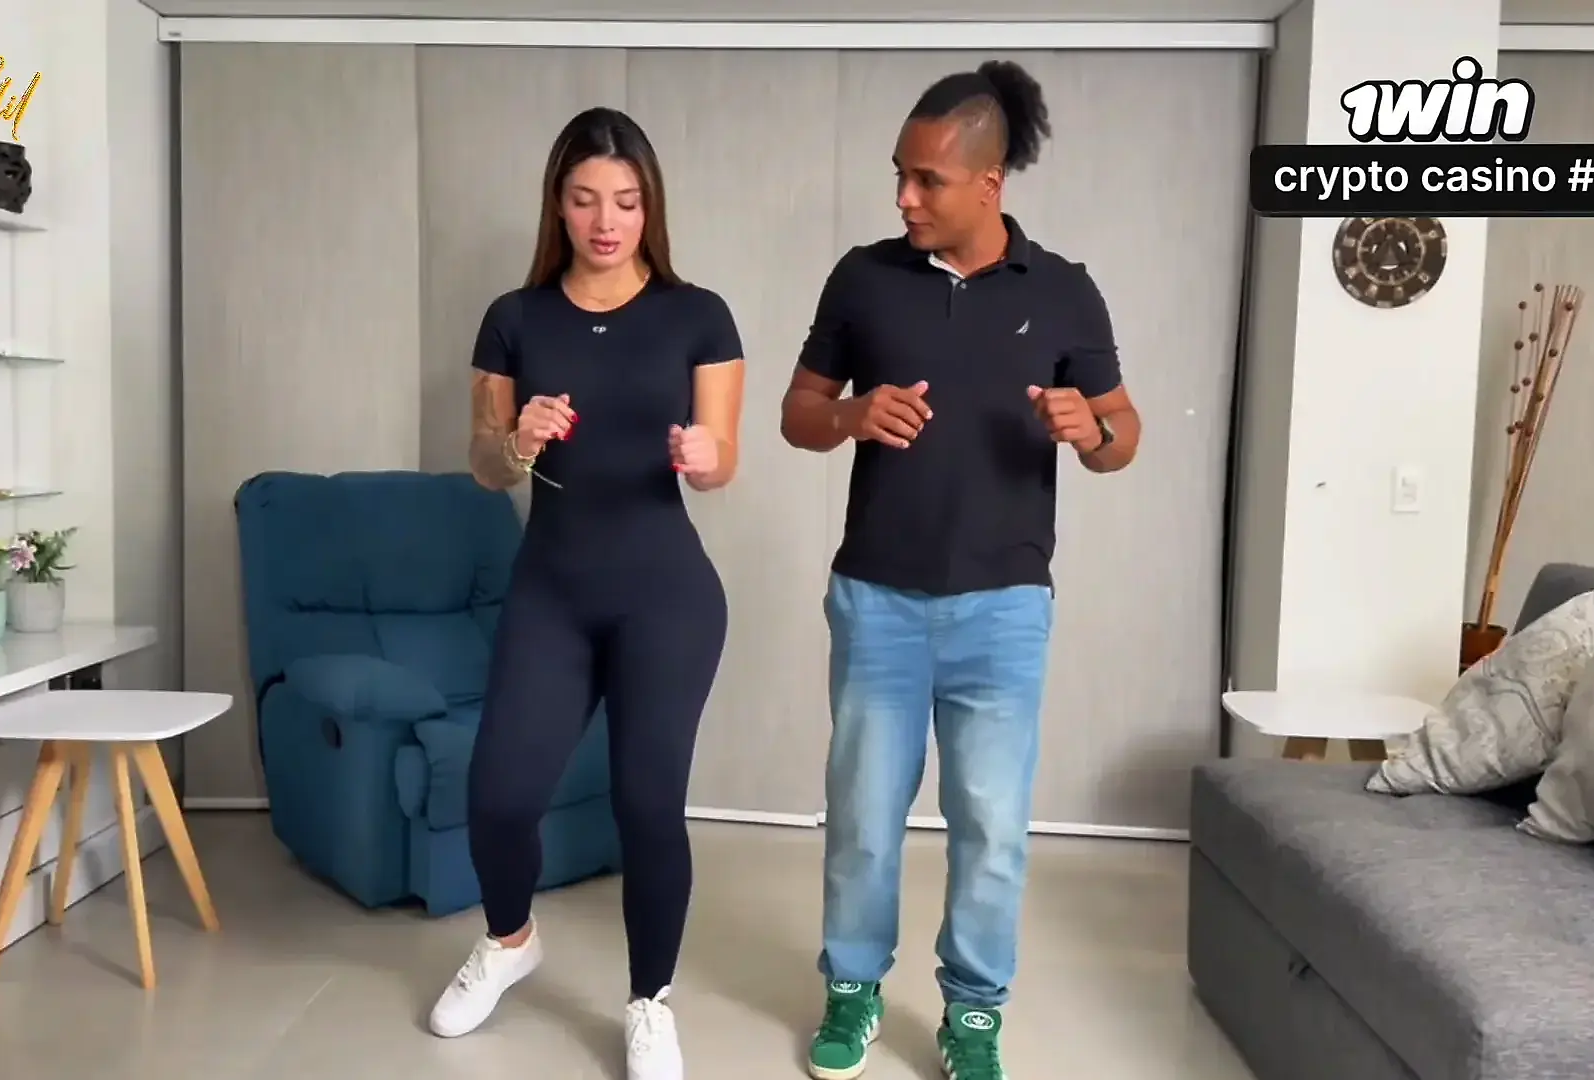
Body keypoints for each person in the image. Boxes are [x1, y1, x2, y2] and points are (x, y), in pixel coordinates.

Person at [779, 61, 1142, 1080]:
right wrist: (852, 413)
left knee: (991, 828)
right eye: (899, 174)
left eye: (927, 180)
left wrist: (1090, 429)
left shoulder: (1064, 292)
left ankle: (974, 1011)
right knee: (862, 820)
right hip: (878, 600)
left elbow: (1123, 433)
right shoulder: (863, 278)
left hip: (1005, 609)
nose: (904, 197)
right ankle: (853, 988)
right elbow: (798, 415)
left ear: (990, 183)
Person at [425, 107, 744, 1080]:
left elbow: (723, 459)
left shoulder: (699, 315)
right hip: (552, 594)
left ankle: (650, 1001)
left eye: (627, 201)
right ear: (557, 206)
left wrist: (704, 456)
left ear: (650, 207)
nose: (607, 221)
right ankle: (510, 942)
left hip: (667, 596)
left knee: (648, 806)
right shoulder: (514, 319)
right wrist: (515, 441)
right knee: (498, 796)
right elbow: (484, 466)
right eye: (585, 199)